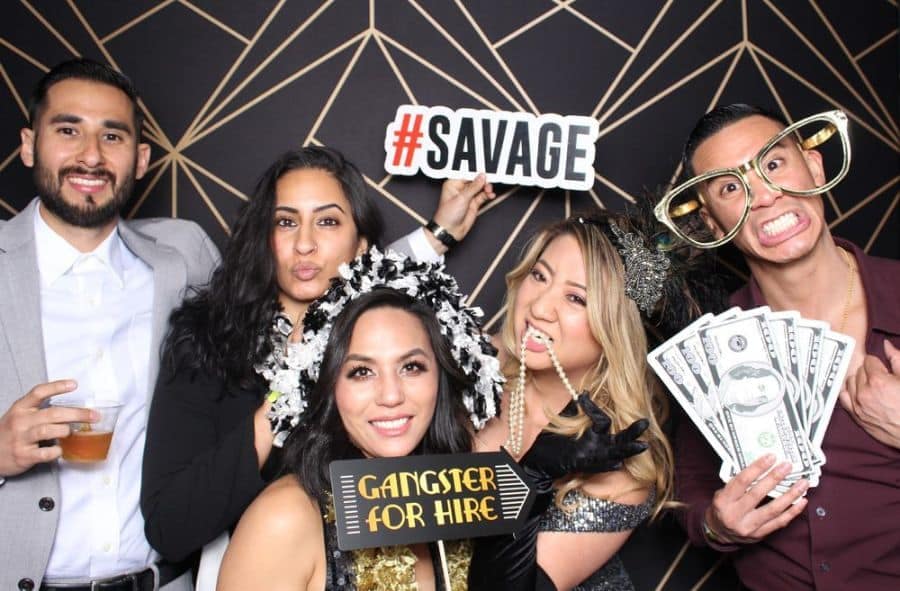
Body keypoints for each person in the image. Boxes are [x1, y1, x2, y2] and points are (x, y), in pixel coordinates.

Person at [140, 146, 495, 563]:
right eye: (286, 222)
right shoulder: (206, 344)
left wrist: (438, 233)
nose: (305, 244)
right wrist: (285, 397)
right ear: (262, 238)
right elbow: (170, 526)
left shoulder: (387, 341)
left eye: (327, 221)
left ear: (361, 245)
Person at [657, 104, 900, 589]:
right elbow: (693, 491)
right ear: (709, 221)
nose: (764, 196)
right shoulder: (709, 352)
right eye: (730, 187)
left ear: (814, 165)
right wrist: (716, 524)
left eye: (772, 164)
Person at [0, 58, 219, 590]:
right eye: (68, 130)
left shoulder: (183, 256)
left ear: (141, 159)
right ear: (29, 144)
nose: (91, 156)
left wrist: (435, 235)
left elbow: (299, 309)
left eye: (112, 136)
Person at [216, 250, 505, 590]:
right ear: (330, 387)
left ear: (440, 379)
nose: (391, 395)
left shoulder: (460, 502)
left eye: (411, 367)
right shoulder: (284, 518)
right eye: (362, 372)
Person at [469, 212, 688, 590]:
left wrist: (533, 477)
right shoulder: (468, 363)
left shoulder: (620, 467)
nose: (538, 308)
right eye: (539, 276)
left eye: (575, 298)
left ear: (615, 326)